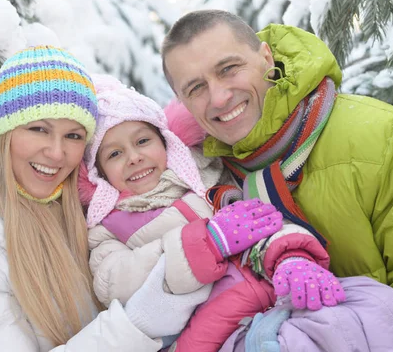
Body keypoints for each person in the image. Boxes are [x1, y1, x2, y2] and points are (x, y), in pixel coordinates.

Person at [161, 10, 393, 352]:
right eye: (196, 88)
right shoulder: (204, 183)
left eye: (228, 69)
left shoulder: (392, 141)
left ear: (265, 57)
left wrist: (325, 338)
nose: (219, 97)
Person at [0, 46, 212, 352]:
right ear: (4, 133)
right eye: (39, 129)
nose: (57, 152)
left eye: (73, 136)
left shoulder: (83, 211)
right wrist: (135, 325)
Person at [77, 74, 345, 351]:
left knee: (369, 308)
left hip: (272, 298)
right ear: (99, 173)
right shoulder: (109, 225)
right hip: (205, 333)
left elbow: (263, 219)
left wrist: (290, 256)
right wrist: (206, 243)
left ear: (166, 141)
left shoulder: (208, 181)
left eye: (143, 141)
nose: (134, 157)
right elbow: (114, 282)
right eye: (114, 154)